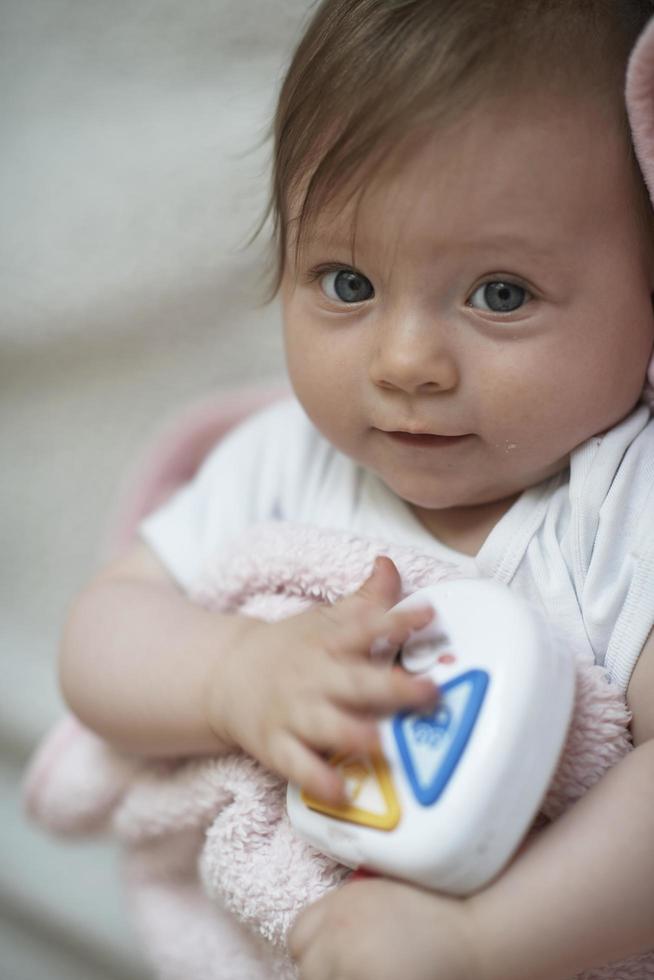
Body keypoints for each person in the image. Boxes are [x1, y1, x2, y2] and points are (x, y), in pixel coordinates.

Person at [58, 1, 654, 977]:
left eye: (500, 292)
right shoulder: (281, 459)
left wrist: (481, 942)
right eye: (345, 281)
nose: (406, 359)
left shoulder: (622, 509)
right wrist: (231, 675)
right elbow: (102, 635)